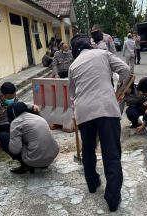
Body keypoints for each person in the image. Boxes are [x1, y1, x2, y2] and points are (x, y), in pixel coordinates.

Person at [69, 34, 131, 212]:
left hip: (84, 112)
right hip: (106, 108)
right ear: (90, 45)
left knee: (88, 148)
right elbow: (126, 70)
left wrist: (75, 114)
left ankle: (92, 183)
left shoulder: (73, 65)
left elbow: (72, 95)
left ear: (75, 50)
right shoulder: (103, 54)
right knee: (111, 153)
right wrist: (118, 91)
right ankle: (112, 199)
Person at [7, 102, 59, 174]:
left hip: (34, 160)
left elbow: (15, 150)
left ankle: (25, 166)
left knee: (3, 137)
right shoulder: (39, 117)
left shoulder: (16, 122)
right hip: (52, 156)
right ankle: (41, 162)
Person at [0, 82, 39, 152]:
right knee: (5, 136)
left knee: (31, 111)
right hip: (2, 126)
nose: (12, 100)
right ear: (2, 96)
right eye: (9, 98)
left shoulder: (13, 98)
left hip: (13, 122)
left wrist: (32, 106)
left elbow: (20, 104)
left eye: (14, 97)